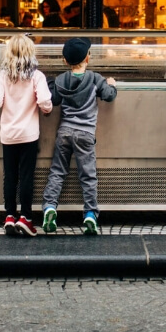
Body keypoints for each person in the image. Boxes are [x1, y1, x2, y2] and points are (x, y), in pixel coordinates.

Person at [41, 37, 117, 235]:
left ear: (65, 62)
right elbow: (108, 95)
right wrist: (112, 84)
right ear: (88, 58)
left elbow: (54, 100)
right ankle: (90, 214)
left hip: (64, 132)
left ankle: (49, 208)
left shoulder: (60, 80)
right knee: (88, 176)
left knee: (57, 172)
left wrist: (50, 83)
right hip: (85, 134)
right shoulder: (95, 78)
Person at [0, 34, 53, 237]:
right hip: (29, 135)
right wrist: (46, 110)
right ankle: (26, 218)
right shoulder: (37, 76)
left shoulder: (3, 76)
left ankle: (9, 216)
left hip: (8, 135)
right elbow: (45, 100)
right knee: (26, 177)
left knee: (10, 176)